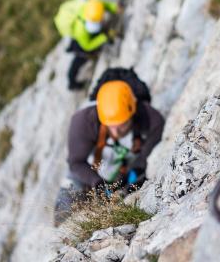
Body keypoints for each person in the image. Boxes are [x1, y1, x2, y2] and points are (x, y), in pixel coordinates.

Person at [53, 75, 164, 225]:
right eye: (112, 126)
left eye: (122, 125)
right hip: (88, 175)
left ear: (132, 112)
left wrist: (135, 173)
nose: (116, 132)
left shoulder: (151, 120)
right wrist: (98, 184)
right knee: (63, 211)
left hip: (125, 175)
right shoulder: (83, 122)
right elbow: (76, 163)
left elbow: (145, 157)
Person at [53, 0, 119, 90]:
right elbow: (87, 46)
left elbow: (103, 5)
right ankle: (72, 82)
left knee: (94, 37)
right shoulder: (82, 30)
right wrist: (104, 37)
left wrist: (114, 7)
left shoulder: (93, 7)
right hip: (80, 40)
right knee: (81, 57)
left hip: (81, 30)